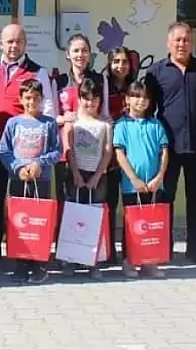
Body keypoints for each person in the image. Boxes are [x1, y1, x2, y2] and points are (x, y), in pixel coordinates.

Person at [144, 22, 196, 264]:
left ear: (192, 43)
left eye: (186, 40)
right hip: (167, 149)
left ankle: (193, 247)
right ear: (168, 42)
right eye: (177, 40)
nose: (182, 44)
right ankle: (164, 247)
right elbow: (147, 111)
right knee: (165, 197)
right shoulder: (156, 72)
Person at [0, 24, 58, 260]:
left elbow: (48, 109)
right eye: (9, 41)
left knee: (26, 203)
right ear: (1, 43)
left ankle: (27, 251)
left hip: (27, 152)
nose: (13, 46)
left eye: (18, 41)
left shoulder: (38, 71)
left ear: (25, 44)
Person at [0, 78, 62, 284]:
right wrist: (18, 167)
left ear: (41, 99)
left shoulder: (49, 123)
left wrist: (40, 163)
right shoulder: (13, 123)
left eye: (35, 98)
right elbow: (4, 151)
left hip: (41, 180)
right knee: (17, 222)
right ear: (21, 99)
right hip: (18, 179)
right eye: (27, 98)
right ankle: (20, 263)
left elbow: (57, 151)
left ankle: (37, 264)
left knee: (37, 222)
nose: (31, 102)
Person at [112, 79, 170, 278]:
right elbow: (120, 154)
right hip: (131, 186)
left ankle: (149, 262)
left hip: (154, 185)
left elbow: (164, 152)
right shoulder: (122, 125)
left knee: (152, 223)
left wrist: (159, 177)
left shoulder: (155, 124)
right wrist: (134, 179)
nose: (140, 101)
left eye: (145, 98)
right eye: (136, 97)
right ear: (127, 99)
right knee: (133, 224)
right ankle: (129, 261)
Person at [63, 78, 114, 278]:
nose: (90, 103)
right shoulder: (74, 123)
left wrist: (97, 175)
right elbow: (69, 150)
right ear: (80, 98)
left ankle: (94, 262)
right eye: (86, 99)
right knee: (73, 216)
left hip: (97, 176)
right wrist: (75, 173)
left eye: (94, 99)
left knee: (95, 218)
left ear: (100, 100)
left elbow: (107, 152)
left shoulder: (105, 125)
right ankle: (70, 259)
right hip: (76, 174)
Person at [103, 46, 136, 264]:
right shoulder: (103, 86)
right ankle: (108, 250)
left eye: (124, 62)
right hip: (111, 155)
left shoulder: (135, 88)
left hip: (133, 153)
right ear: (109, 63)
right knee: (110, 203)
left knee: (131, 203)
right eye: (116, 61)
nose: (120, 66)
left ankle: (131, 249)